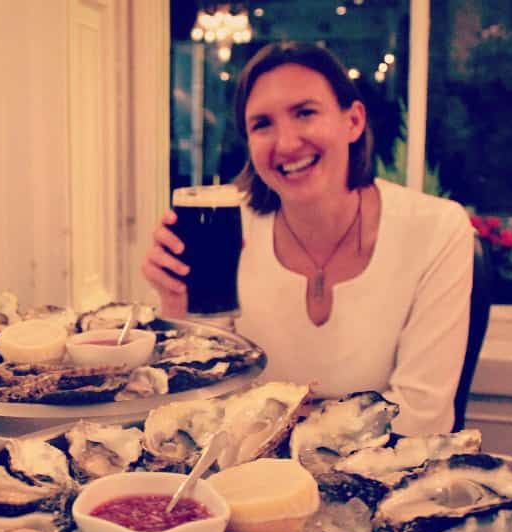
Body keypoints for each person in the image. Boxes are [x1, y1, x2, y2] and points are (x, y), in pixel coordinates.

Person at [142, 41, 474, 436]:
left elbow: (423, 419)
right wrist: (179, 313)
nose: (286, 143)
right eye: (262, 124)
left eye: (305, 113)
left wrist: (276, 425)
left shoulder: (437, 229)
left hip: (381, 483)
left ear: (353, 122)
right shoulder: (229, 230)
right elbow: (201, 412)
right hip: (250, 478)